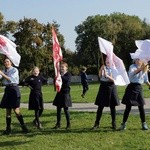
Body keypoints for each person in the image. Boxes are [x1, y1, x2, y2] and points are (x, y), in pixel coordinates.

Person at [119, 58, 150, 130]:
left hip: (139, 88)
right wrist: (141, 69)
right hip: (131, 87)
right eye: (136, 59)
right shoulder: (132, 66)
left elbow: (146, 80)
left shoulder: (145, 68)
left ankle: (144, 124)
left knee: (141, 107)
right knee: (128, 107)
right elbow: (131, 74)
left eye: (139, 59)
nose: (137, 60)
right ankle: (123, 124)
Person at [0, 57, 28, 135]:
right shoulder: (4, 70)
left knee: (16, 110)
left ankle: (23, 126)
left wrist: (2, 74)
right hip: (7, 90)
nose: (6, 63)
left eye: (8, 61)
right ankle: (8, 129)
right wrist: (1, 73)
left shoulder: (14, 70)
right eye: (5, 62)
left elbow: (11, 79)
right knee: (8, 110)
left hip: (14, 89)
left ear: (11, 63)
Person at [92, 59, 120, 130]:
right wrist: (101, 70)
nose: (107, 61)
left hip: (111, 87)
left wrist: (108, 76)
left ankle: (114, 123)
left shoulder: (114, 68)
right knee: (100, 106)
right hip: (103, 87)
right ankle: (97, 123)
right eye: (106, 60)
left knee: (112, 106)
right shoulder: (103, 67)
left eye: (109, 60)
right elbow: (100, 77)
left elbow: (115, 80)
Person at [53, 62, 72, 129]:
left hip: (65, 93)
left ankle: (68, 124)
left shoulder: (68, 74)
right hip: (59, 93)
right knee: (58, 109)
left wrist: (60, 77)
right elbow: (55, 82)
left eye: (63, 67)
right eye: (61, 67)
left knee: (65, 109)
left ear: (66, 68)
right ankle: (58, 124)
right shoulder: (59, 74)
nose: (61, 68)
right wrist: (56, 78)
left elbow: (67, 81)